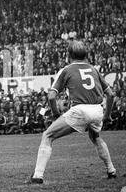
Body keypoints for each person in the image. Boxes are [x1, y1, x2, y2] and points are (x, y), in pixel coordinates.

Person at [28, 40, 116, 184]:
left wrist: (56, 114)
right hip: (97, 110)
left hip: (80, 110)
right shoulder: (94, 69)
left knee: (48, 135)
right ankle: (111, 170)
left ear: (68, 54)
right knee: (95, 137)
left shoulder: (67, 70)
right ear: (85, 55)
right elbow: (111, 95)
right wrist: (106, 115)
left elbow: (51, 96)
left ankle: (37, 176)